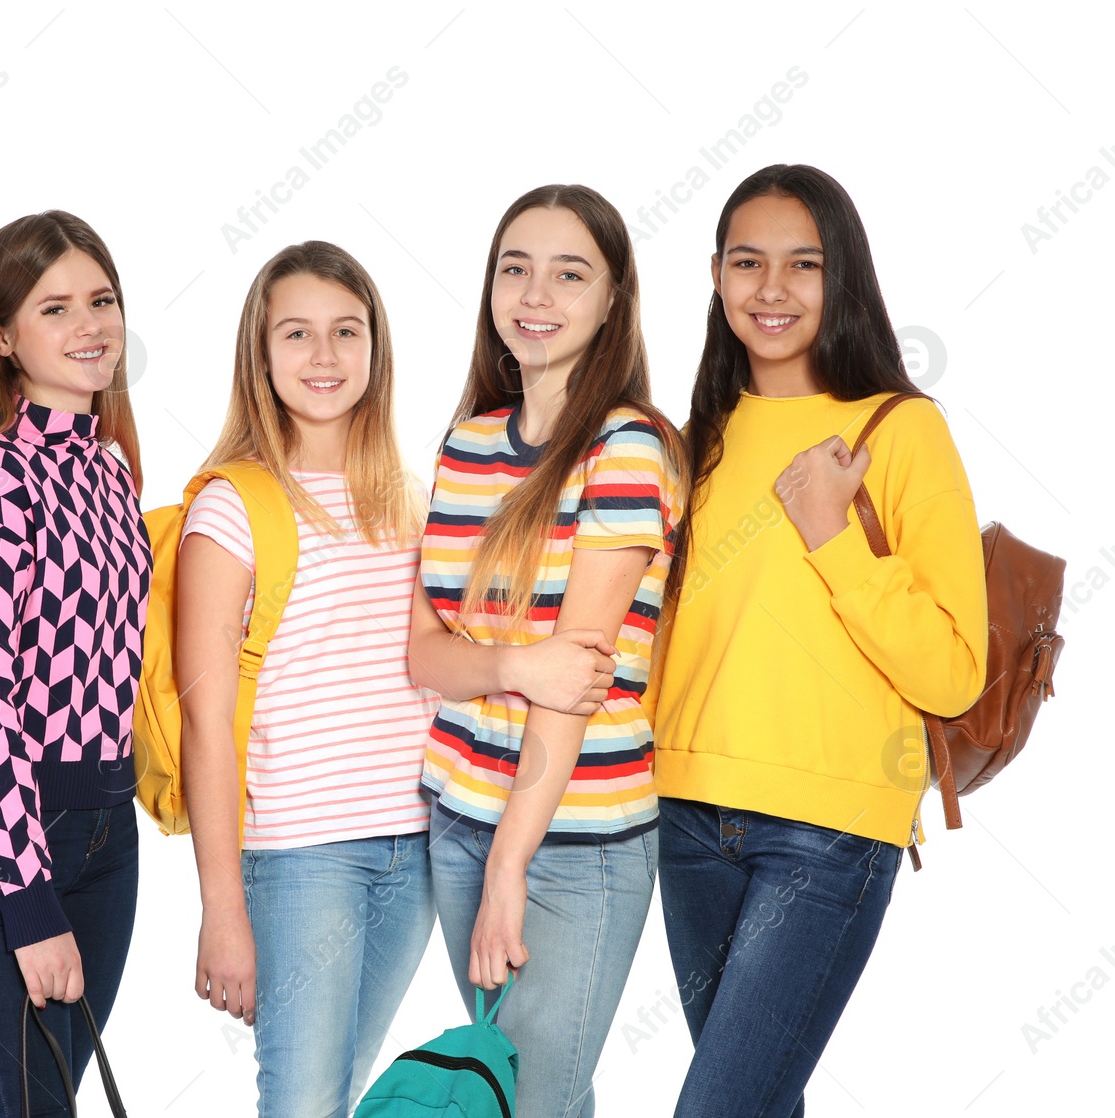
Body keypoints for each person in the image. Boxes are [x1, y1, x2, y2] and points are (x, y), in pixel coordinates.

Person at [649, 163, 989, 1117]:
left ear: (844, 279)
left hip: (827, 833)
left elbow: (955, 673)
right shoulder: (695, 440)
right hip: (683, 817)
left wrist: (832, 536)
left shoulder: (903, 431)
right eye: (748, 262)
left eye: (804, 264)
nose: (772, 289)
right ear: (715, 276)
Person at [410, 184, 684, 1118]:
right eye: (515, 268)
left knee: (540, 1102)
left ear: (613, 300)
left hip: (572, 841)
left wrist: (509, 868)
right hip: (456, 816)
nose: (537, 294)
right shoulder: (466, 444)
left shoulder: (628, 448)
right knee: (515, 1092)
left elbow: (577, 687)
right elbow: (425, 658)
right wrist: (513, 666)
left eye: (571, 274)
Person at [180, 241, 444, 1117]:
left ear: (377, 347)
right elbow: (206, 724)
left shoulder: (411, 499)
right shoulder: (235, 504)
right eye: (296, 334)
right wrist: (222, 908)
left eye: (346, 332)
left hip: (418, 850)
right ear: (261, 355)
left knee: (336, 1100)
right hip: (302, 857)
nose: (324, 357)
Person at [0, 210, 150, 1117]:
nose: (91, 325)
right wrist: (28, 900)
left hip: (103, 821)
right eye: (56, 309)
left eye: (102, 300)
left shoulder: (111, 470)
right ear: (3, 336)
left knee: (51, 1099)